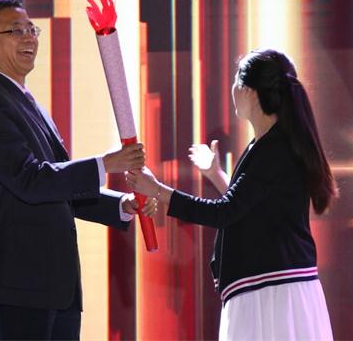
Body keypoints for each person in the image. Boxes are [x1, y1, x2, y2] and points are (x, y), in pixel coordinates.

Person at [0, 0, 156, 340]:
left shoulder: (27, 103)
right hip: (17, 284)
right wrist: (106, 164)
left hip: (55, 287)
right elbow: (30, 180)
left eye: (32, 29)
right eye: (16, 31)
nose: (29, 38)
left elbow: (58, 186)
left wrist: (121, 204)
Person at [127, 48, 337, 340]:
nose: (232, 90)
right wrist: (216, 174)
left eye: (236, 81)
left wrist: (157, 191)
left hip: (272, 291)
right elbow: (249, 208)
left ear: (249, 91)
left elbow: (225, 212)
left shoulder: (273, 150)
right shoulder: (267, 146)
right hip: (270, 288)